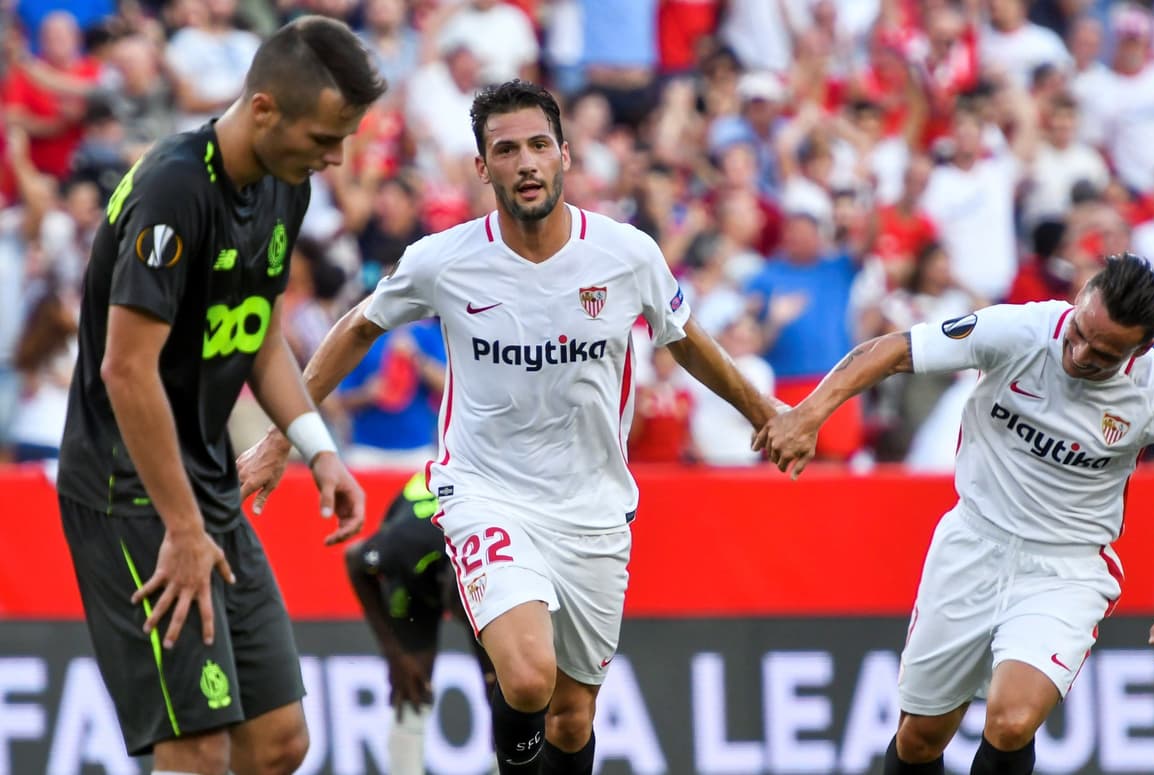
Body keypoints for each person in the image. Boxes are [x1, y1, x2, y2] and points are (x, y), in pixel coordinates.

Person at [238, 79, 779, 775]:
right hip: (485, 490)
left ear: (564, 156)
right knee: (526, 677)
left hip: (592, 509)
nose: (524, 162)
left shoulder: (625, 255)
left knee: (571, 714)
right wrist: (282, 436)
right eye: (506, 149)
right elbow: (359, 326)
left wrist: (764, 413)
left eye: (537, 145)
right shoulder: (445, 260)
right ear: (482, 167)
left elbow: (686, 337)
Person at [753, 254, 1154, 775]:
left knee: (1011, 721)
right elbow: (893, 350)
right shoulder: (1018, 330)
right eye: (1078, 332)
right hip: (972, 543)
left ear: (1142, 348)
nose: (1078, 354)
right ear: (1080, 299)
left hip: (1066, 569)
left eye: (1102, 354)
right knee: (921, 738)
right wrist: (809, 414)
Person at [55, 17, 384, 775]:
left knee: (277, 742)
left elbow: (256, 331)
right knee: (197, 749)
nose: (335, 157)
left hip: (203, 483)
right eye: (324, 136)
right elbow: (125, 370)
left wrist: (317, 448)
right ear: (264, 108)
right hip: (129, 493)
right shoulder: (174, 189)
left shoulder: (284, 183)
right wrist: (181, 525)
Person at [345, 471, 498, 775]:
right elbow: (353, 559)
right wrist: (394, 653)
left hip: (482, 566)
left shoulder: (494, 559)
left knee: (504, 688)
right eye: (460, 609)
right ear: (444, 581)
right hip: (414, 568)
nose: (463, 617)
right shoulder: (404, 547)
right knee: (412, 684)